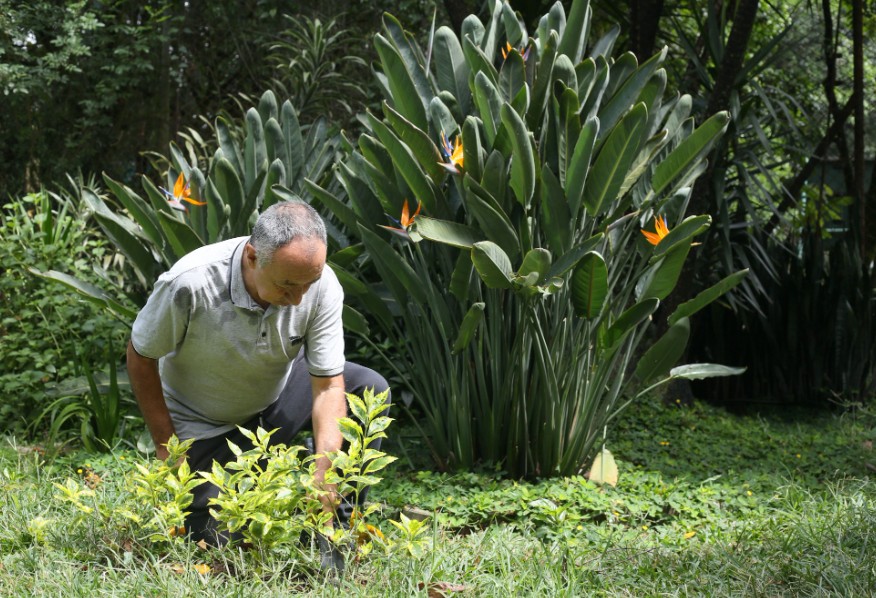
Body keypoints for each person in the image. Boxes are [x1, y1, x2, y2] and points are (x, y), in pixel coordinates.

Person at [126, 201, 389, 554]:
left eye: (307, 285)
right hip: (204, 428)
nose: (298, 299)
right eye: (286, 286)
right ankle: (280, 472)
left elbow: (328, 387)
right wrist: (167, 448)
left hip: (274, 399)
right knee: (222, 543)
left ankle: (332, 526)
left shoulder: (320, 284)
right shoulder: (190, 282)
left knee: (368, 388)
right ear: (252, 257)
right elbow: (141, 356)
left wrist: (325, 479)